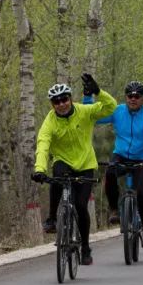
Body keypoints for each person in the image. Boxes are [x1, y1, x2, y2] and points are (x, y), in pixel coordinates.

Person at [33, 74, 117, 266]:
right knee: (55, 179)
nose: (61, 104)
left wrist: (98, 91)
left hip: (86, 165)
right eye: (56, 101)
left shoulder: (84, 111)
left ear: (70, 98)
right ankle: (53, 219)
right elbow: (43, 144)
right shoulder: (50, 121)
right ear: (52, 104)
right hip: (63, 161)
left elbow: (111, 107)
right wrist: (39, 169)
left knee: (80, 206)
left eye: (64, 99)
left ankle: (85, 248)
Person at [95, 80, 143, 250]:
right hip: (122, 155)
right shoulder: (118, 111)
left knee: (141, 195)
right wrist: (89, 99)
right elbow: (94, 117)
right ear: (126, 97)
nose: (133, 99)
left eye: (137, 96)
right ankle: (114, 209)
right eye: (129, 96)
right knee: (110, 173)